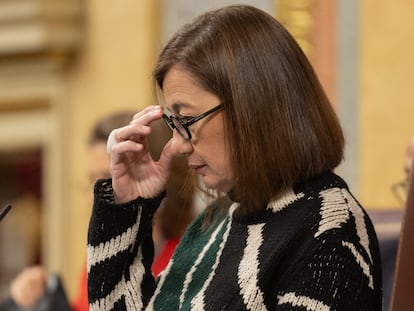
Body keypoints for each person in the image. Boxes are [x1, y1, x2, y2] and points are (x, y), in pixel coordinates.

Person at [87, 5, 382, 310]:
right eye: (173, 124)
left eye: (186, 120)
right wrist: (126, 207)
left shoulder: (329, 228)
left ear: (251, 107)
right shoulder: (216, 220)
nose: (178, 145)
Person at [0, 112, 195, 311]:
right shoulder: (100, 259)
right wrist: (31, 301)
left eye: (107, 178)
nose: (94, 195)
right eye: (92, 181)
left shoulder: (187, 258)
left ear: (151, 172)